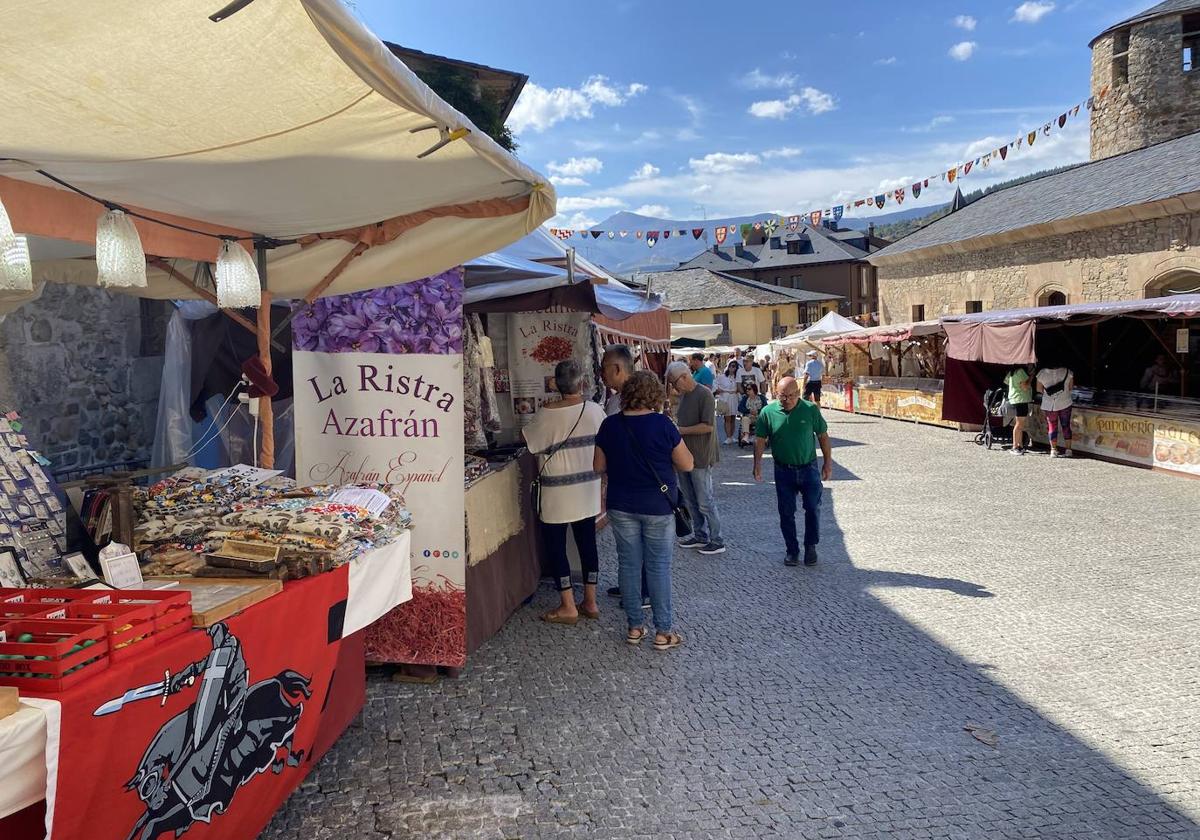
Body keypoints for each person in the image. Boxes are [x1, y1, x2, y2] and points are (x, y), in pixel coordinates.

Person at [594, 371, 693, 650]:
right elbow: (687, 464)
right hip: (658, 506)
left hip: (621, 504)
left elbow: (598, 467)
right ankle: (663, 632)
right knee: (658, 567)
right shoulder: (663, 425)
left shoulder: (609, 425)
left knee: (628, 564)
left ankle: (635, 627)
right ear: (654, 396)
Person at [522, 360, 607, 625]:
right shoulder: (595, 411)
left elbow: (532, 444)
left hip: (556, 492)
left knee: (557, 547)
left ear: (554, 384)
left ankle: (568, 606)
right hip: (587, 488)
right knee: (587, 542)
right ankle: (590, 601)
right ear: (581, 382)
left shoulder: (546, 414)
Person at [753, 376, 833, 567]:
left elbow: (823, 436)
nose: (786, 400)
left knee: (813, 508)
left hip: (808, 468)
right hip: (783, 470)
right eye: (782, 396)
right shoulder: (768, 412)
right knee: (786, 512)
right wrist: (757, 464)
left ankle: (811, 546)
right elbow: (760, 440)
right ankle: (792, 550)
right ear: (776, 393)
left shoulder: (810, 409)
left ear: (798, 393)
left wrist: (828, 463)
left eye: (791, 396)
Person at [599, 345, 649, 606]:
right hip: (628, 480)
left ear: (617, 368)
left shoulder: (629, 399)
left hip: (632, 481)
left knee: (636, 541)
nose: (600, 374)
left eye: (603, 368)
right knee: (629, 543)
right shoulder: (620, 396)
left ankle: (641, 591)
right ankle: (632, 584)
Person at [665, 361, 724, 555]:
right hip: (685, 456)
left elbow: (708, 426)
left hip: (701, 455)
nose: (674, 387)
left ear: (684, 377)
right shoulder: (684, 396)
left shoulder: (704, 394)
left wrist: (681, 430)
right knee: (691, 499)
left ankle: (717, 539)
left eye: (674, 382)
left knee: (704, 499)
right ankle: (700, 535)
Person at [1036, 364, 1075, 458]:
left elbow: (1038, 389)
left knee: (1052, 426)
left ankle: (1053, 450)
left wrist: (1050, 393)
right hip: (1065, 402)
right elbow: (1070, 388)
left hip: (1049, 404)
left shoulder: (1041, 373)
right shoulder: (1067, 371)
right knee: (1066, 426)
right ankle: (1068, 450)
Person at [1003, 365, 1033, 455]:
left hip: (1015, 399)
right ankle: (1015, 446)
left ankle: (1020, 446)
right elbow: (1025, 387)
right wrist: (1031, 377)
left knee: (1019, 424)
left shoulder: (1011, 372)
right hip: (1021, 399)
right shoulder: (1020, 371)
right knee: (1019, 424)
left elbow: (1006, 382)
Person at [714, 360, 740, 445]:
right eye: (731, 366)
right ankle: (728, 437)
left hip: (734, 397)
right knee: (727, 418)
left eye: (734, 366)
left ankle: (732, 436)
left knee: (733, 418)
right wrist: (718, 390)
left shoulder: (737, 377)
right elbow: (715, 384)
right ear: (728, 367)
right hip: (725, 397)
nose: (733, 368)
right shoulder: (722, 376)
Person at [737, 383, 766, 447]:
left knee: (763, 420)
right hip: (749, 417)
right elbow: (740, 408)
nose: (747, 390)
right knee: (744, 419)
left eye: (749, 389)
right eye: (746, 389)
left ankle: (762, 437)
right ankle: (746, 436)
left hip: (759, 416)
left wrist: (758, 411)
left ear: (754, 389)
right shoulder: (745, 398)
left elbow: (766, 407)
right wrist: (749, 411)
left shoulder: (761, 398)